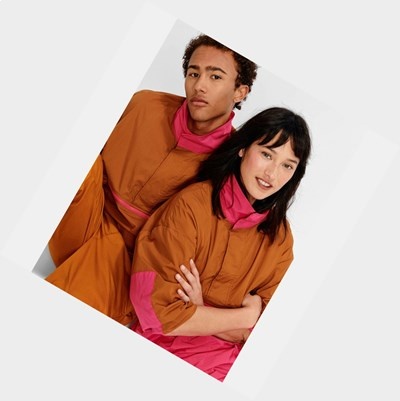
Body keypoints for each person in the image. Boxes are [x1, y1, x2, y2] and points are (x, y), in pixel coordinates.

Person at [44, 34, 258, 325]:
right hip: (82, 221)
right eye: (193, 73)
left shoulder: (232, 164)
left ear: (240, 92)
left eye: (215, 76)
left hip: (132, 261)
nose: (200, 85)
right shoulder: (144, 104)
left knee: (106, 258)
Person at [129, 106, 312, 381]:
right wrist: (244, 317)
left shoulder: (281, 239)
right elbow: (158, 313)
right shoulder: (191, 207)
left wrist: (200, 309)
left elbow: (270, 338)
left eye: (287, 165)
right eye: (267, 154)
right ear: (243, 148)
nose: (272, 174)